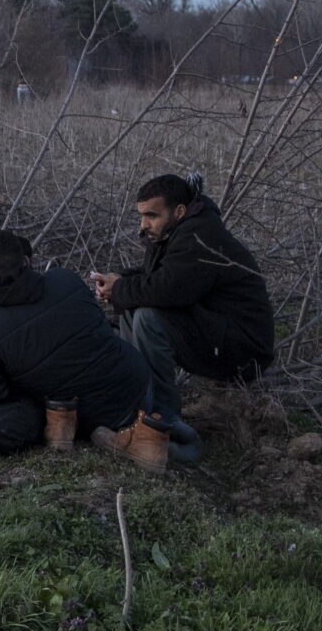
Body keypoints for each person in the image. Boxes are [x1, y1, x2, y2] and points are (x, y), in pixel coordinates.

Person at [0, 229, 158, 468]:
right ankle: (157, 432)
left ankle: (122, 439)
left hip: (88, 416)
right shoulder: (65, 278)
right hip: (137, 386)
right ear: (27, 261)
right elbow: (99, 329)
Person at [91, 174, 274, 436]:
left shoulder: (200, 236)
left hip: (243, 348)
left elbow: (167, 289)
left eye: (152, 215)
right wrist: (119, 282)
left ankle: (162, 423)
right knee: (135, 310)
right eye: (142, 216)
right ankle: (138, 410)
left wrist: (119, 288)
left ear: (179, 211)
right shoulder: (177, 233)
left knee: (147, 318)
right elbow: (158, 278)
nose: (143, 225)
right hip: (218, 331)